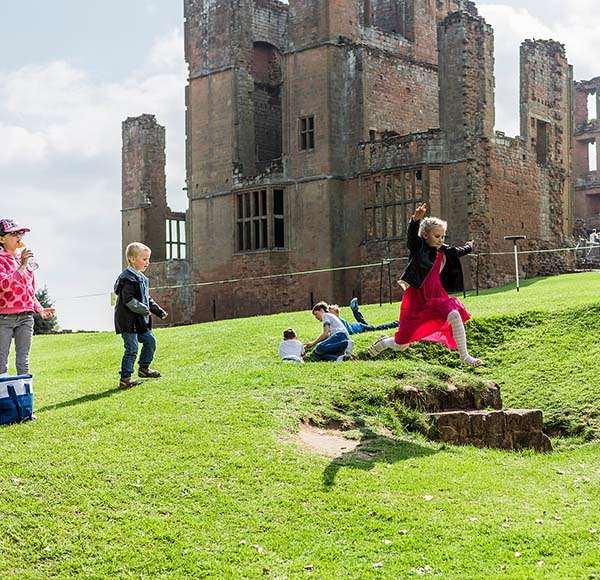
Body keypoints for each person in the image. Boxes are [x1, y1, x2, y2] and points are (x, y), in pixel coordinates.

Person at [369, 203, 482, 366]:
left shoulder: (444, 250)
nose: (441, 240)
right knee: (402, 344)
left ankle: (464, 356)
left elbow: (459, 251)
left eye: (443, 236)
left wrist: (470, 246)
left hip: (436, 296)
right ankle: (385, 342)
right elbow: (411, 238)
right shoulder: (419, 247)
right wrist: (415, 220)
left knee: (455, 315)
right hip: (417, 299)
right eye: (437, 236)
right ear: (425, 235)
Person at [0, 219, 55, 377]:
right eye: (14, 233)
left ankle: (23, 398)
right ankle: (3, 398)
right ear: (1, 239)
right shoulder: (2, 260)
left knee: (23, 360)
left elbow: (29, 289)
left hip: (26, 316)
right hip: (4, 317)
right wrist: (22, 266)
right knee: (1, 361)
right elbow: (4, 284)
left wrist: (40, 309)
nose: (19, 236)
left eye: (20, 233)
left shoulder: (23, 259)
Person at [114, 242, 168, 389]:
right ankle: (125, 379)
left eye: (148, 259)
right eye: (144, 259)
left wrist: (158, 310)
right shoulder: (127, 278)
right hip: (128, 321)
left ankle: (144, 368)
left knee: (150, 341)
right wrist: (144, 310)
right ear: (132, 259)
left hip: (140, 320)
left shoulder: (142, 278)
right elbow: (129, 300)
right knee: (131, 348)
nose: (147, 262)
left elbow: (147, 298)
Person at [328, 299, 398, 335]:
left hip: (360, 328)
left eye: (331, 312)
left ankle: (395, 324)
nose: (329, 315)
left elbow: (349, 330)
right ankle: (355, 310)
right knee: (368, 325)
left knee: (377, 328)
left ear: (337, 313)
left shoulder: (340, 321)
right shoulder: (336, 322)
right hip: (359, 326)